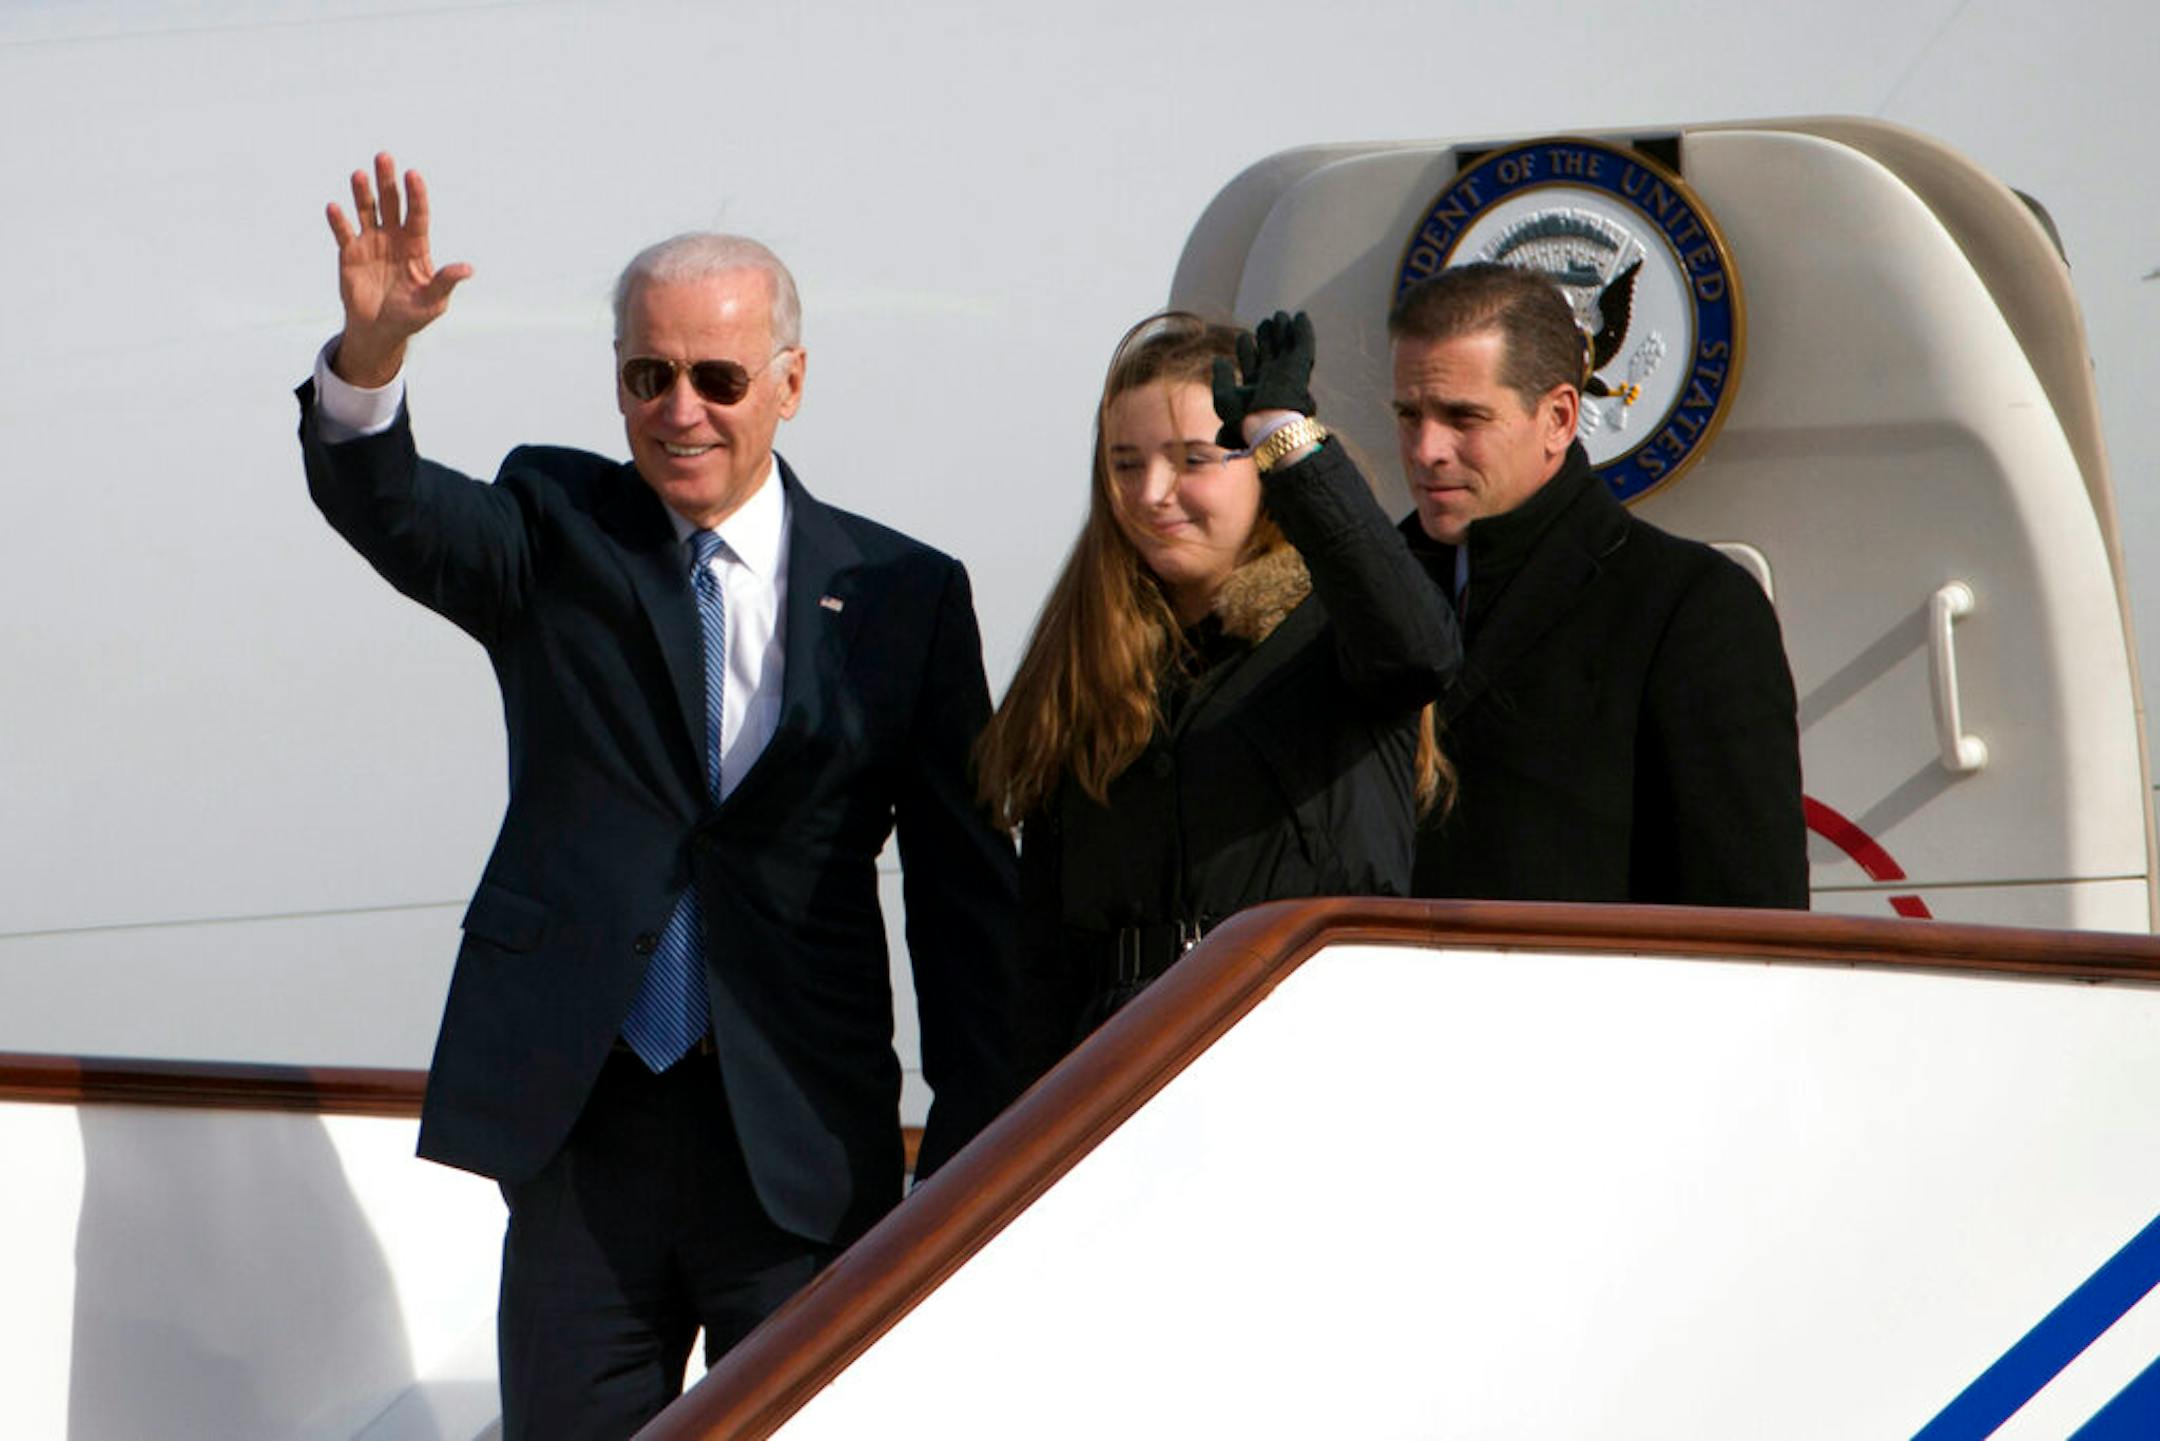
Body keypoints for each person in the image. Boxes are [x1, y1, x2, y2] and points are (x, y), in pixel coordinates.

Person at [297, 154, 1020, 1439]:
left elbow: (965, 902)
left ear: (790, 385)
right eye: (649, 375)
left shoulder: (906, 594)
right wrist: (369, 358)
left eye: (718, 378)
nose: (680, 410)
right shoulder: (556, 528)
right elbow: (388, 502)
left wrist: (968, 1161)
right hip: (585, 1130)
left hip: (799, 1144)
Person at [976, 311, 1461, 1075]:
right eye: (1126, 464)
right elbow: (1042, 958)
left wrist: (1289, 441)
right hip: (1119, 1073)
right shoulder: (1086, 658)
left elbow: (1421, 653)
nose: (1152, 493)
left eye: (1193, 459)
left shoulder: (1340, 627)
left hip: (1312, 1054)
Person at [1388, 262, 1807, 906]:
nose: (1426, 449)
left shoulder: (1687, 605)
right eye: (1409, 415)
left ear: (1558, 418)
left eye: (1463, 419)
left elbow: (1751, 913)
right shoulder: (1361, 593)